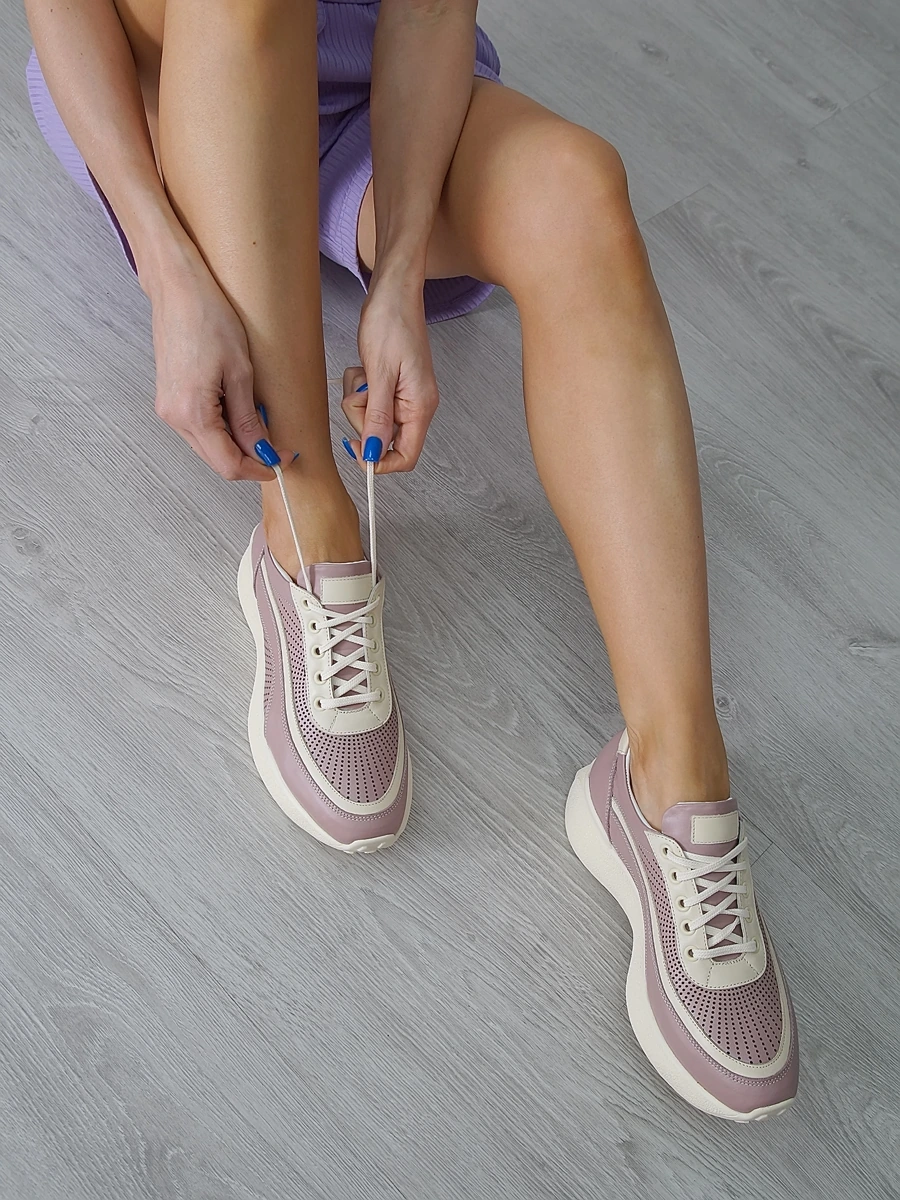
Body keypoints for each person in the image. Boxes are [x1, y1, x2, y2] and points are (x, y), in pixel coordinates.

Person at [23, 0, 799, 1121]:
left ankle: (671, 778)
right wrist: (168, 267)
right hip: (179, 86)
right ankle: (306, 531)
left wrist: (398, 285)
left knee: (579, 188)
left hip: (362, 92)